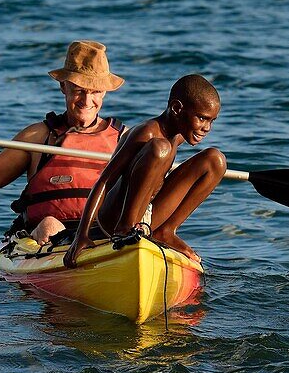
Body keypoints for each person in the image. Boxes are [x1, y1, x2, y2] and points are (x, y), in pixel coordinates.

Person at [0, 40, 126, 244]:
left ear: (105, 92)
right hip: (50, 239)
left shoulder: (123, 138)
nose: (87, 100)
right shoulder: (38, 137)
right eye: (79, 90)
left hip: (104, 236)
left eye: (96, 92)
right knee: (50, 225)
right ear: (63, 87)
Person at [63, 74, 227, 268]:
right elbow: (104, 181)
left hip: (147, 216)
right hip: (115, 218)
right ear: (176, 109)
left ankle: (166, 231)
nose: (206, 128)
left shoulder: (178, 134)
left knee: (216, 160)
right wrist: (82, 235)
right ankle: (125, 229)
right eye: (201, 118)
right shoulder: (147, 132)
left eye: (211, 121)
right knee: (161, 148)